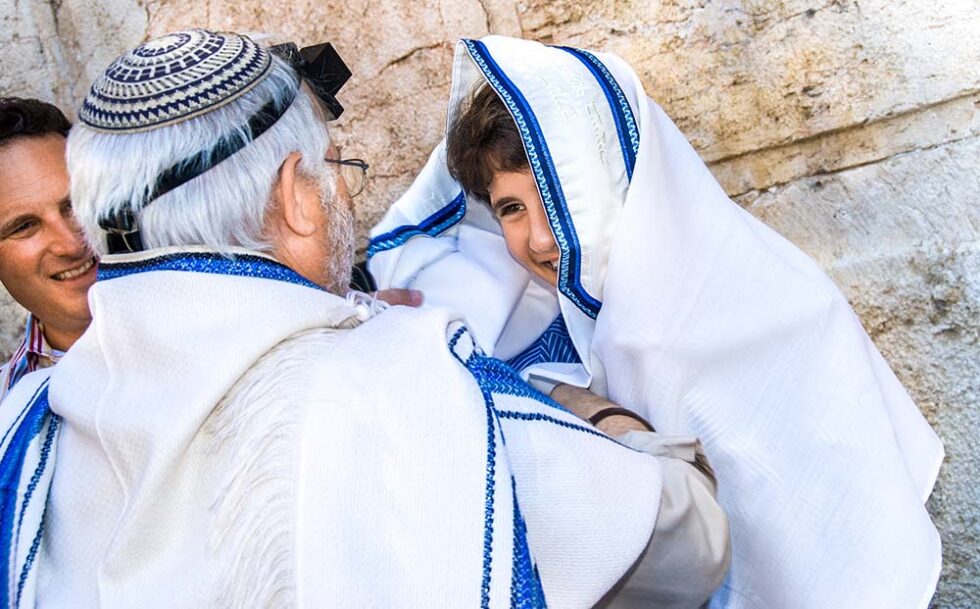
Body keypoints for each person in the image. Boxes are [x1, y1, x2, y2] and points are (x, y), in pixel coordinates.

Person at [0, 29, 727, 608]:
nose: (341, 196)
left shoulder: (29, 430)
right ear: (294, 196)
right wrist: (596, 415)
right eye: (333, 168)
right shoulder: (411, 378)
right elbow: (683, 547)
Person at [368, 35, 945, 608]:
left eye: (558, 195)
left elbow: (844, 536)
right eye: (511, 209)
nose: (540, 239)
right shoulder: (549, 328)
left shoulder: (782, 310)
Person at [0, 98, 96, 400]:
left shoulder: (222, 327)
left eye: (74, 204)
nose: (70, 243)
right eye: (24, 226)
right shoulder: (7, 418)